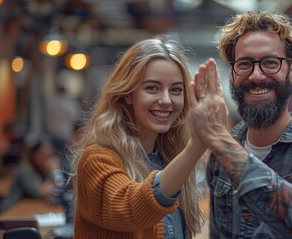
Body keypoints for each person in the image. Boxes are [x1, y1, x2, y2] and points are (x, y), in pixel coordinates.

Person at [188, 11, 292, 238]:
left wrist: (220, 140)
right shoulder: (223, 151)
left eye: (270, 63)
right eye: (245, 64)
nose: (256, 76)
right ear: (232, 76)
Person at [68, 36, 205, 239]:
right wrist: (196, 147)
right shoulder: (96, 159)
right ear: (127, 94)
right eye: (152, 88)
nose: (166, 100)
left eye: (176, 90)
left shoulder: (168, 158)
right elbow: (132, 209)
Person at [0, 132, 63, 213]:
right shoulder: (25, 169)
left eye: (49, 155)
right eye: (42, 154)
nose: (46, 158)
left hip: (26, 210)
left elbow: (56, 192)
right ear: (33, 154)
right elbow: (38, 193)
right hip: (9, 211)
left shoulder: (42, 169)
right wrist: (55, 171)